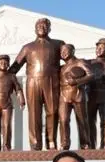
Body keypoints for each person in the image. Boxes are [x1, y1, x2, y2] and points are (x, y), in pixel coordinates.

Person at [9, 18, 65, 150]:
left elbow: (69, 60)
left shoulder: (58, 44)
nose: (42, 27)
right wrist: (18, 90)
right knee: (34, 113)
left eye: (45, 26)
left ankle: (51, 141)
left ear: (49, 28)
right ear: (35, 29)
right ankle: (35, 144)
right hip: (33, 82)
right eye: (39, 26)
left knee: (52, 112)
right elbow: (13, 70)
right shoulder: (28, 47)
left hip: (52, 81)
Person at [58, 44, 94, 150]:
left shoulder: (80, 62)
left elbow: (91, 75)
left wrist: (77, 81)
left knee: (82, 119)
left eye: (65, 50)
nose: (63, 53)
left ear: (72, 51)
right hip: (64, 95)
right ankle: (65, 143)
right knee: (63, 120)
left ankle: (85, 143)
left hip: (78, 93)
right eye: (61, 51)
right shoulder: (62, 68)